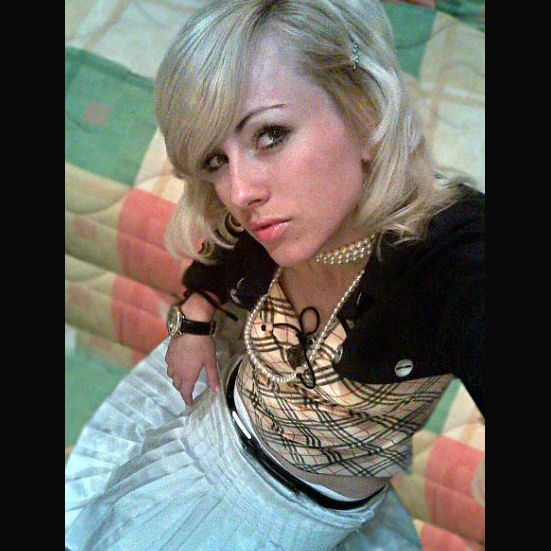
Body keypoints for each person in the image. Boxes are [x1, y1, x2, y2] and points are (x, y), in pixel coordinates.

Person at [65, 0, 484, 549]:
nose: (241, 193)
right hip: (209, 439)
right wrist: (194, 319)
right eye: (216, 161)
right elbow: (222, 256)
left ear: (364, 110)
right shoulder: (271, 225)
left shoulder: (448, 255)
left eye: (270, 134)